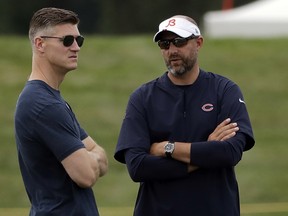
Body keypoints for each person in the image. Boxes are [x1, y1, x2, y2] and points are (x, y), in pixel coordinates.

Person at [114, 15, 255, 216]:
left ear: (198, 43)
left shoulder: (225, 90)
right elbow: (138, 167)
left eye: (179, 41)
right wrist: (206, 153)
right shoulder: (142, 97)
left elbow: (230, 153)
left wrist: (167, 148)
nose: (172, 50)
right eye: (165, 44)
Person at [14, 7, 108, 216]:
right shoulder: (44, 105)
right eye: (67, 40)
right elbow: (86, 175)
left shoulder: (51, 100)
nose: (76, 47)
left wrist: (89, 157)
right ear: (40, 44)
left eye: (79, 40)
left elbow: (103, 157)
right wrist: (89, 157)